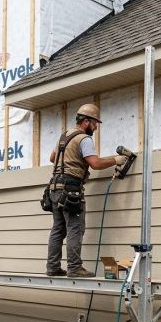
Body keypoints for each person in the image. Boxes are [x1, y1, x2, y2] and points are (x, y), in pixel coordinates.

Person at [46, 104, 129, 278]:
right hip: (70, 190)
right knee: (75, 229)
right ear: (86, 121)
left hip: (54, 189)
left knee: (58, 229)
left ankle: (53, 268)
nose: (96, 127)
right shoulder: (84, 139)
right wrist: (117, 159)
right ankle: (74, 268)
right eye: (95, 123)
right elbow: (95, 164)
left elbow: (53, 158)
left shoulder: (64, 136)